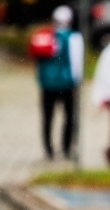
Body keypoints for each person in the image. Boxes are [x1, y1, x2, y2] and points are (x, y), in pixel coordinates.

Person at [36, 4, 83, 160]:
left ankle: (48, 149)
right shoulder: (74, 37)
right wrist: (77, 81)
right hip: (66, 84)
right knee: (69, 117)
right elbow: (77, 63)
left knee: (48, 117)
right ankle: (66, 148)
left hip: (47, 85)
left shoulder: (45, 36)